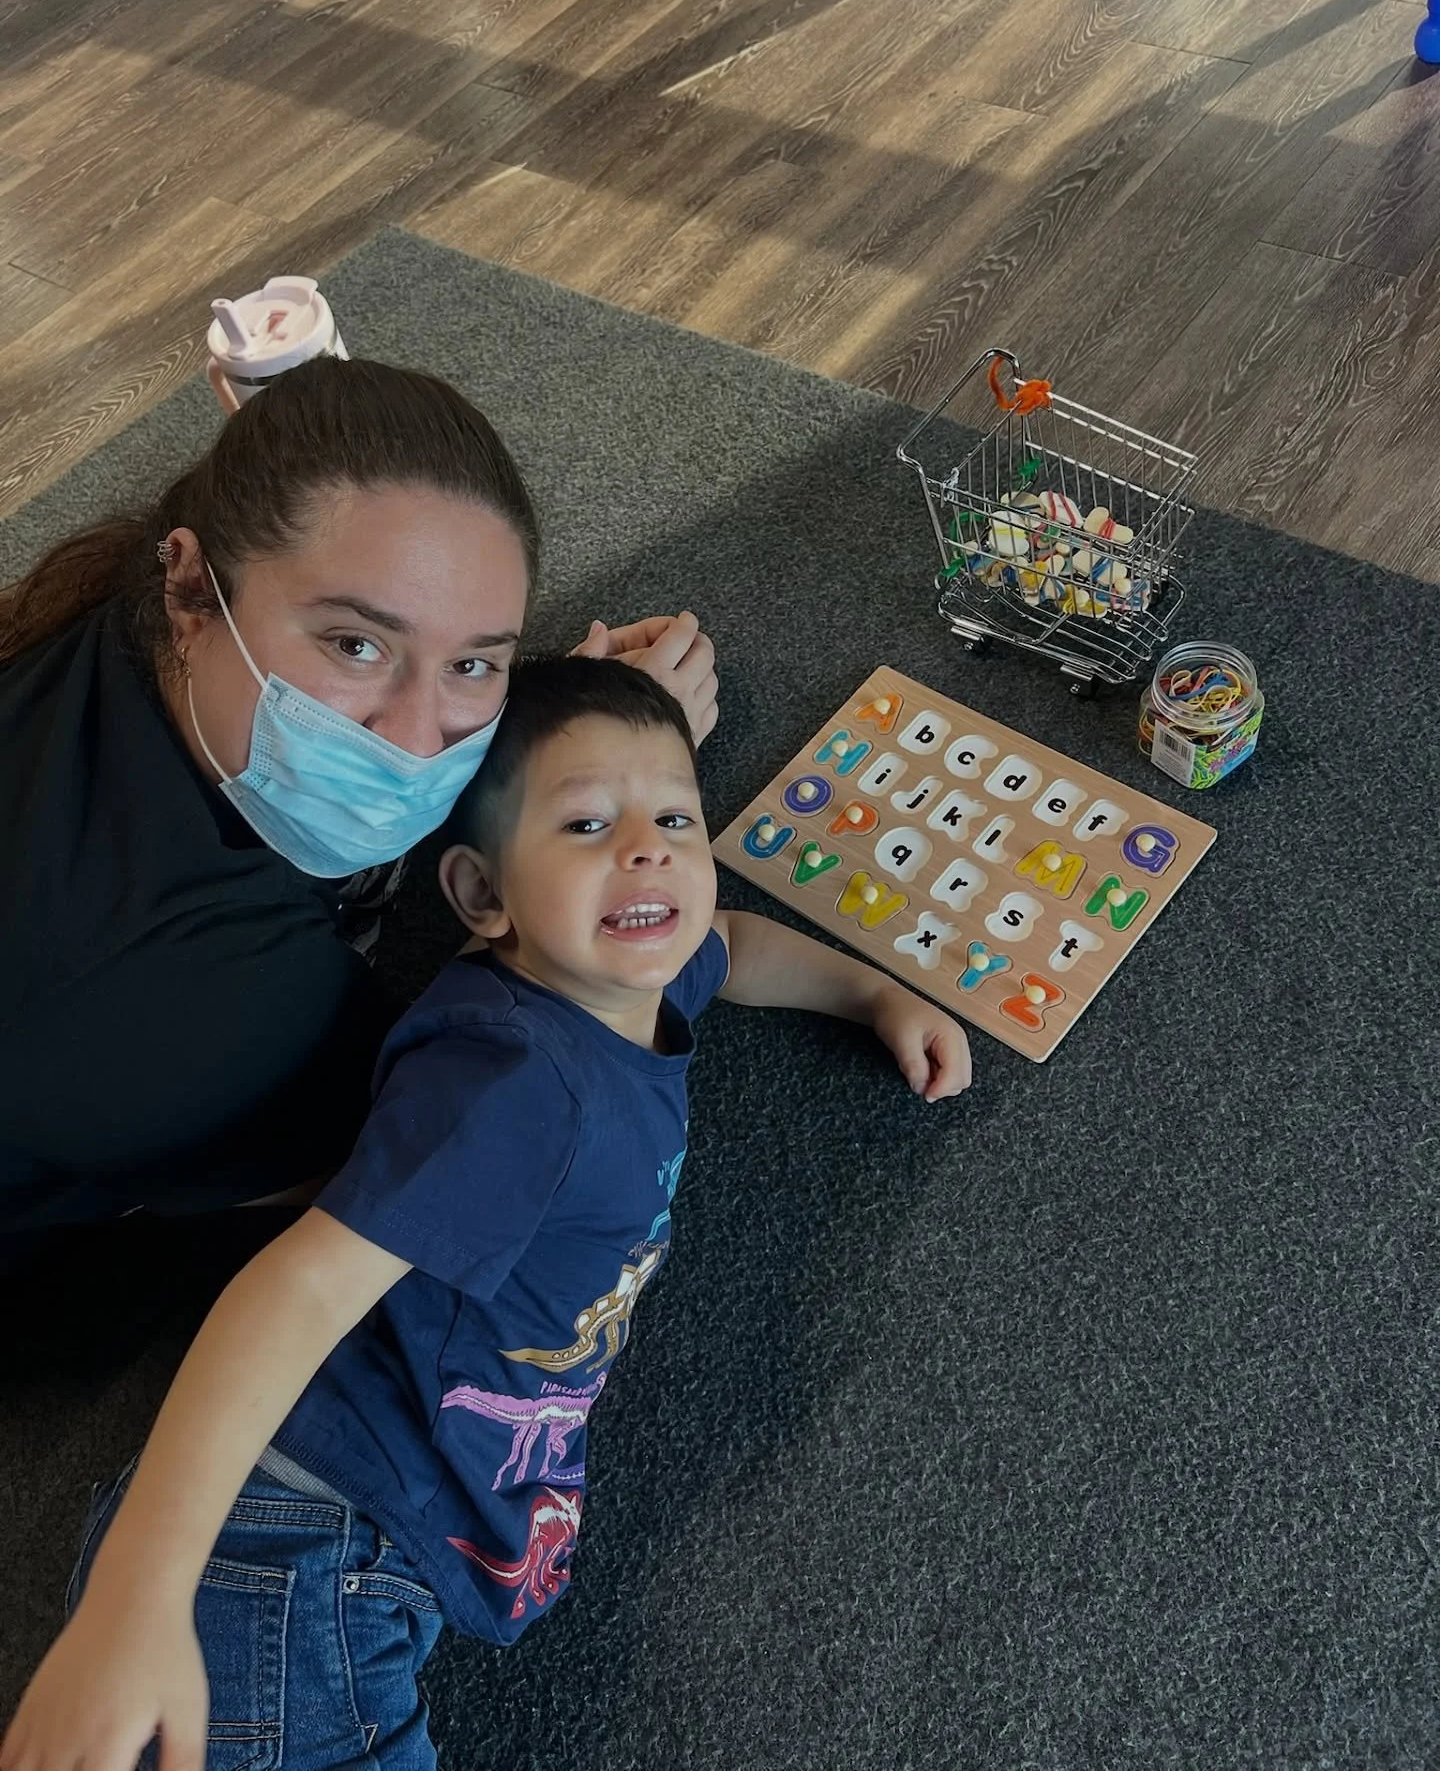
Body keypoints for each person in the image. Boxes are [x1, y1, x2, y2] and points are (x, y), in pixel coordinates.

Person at [0, 656, 972, 1771]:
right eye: (586, 825)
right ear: (481, 897)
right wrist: (145, 1589)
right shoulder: (516, 1094)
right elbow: (301, 1287)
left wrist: (876, 992)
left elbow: (733, 947)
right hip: (295, 1545)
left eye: (673, 817)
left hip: (330, 1526)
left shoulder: (616, 977)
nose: (647, 848)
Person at [0, 358, 717, 1244]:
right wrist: (600, 785)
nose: (416, 743)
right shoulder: (190, 1000)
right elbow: (419, 1147)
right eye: (355, 644)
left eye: (473, 663)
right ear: (188, 590)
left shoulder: (141, 632)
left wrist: (582, 752)